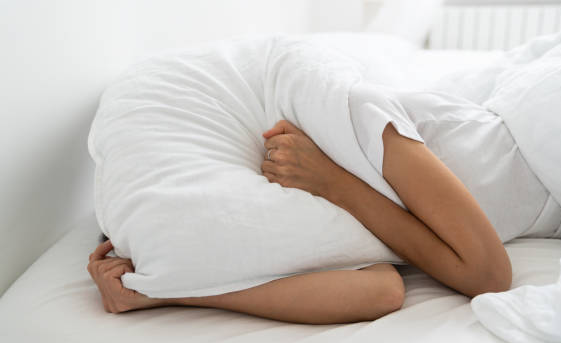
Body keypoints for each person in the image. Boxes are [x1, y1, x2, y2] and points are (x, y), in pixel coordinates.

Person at [88, 119, 511, 325]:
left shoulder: (333, 126)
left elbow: (487, 276)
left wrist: (333, 181)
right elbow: (381, 290)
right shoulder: (298, 219)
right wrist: (171, 291)